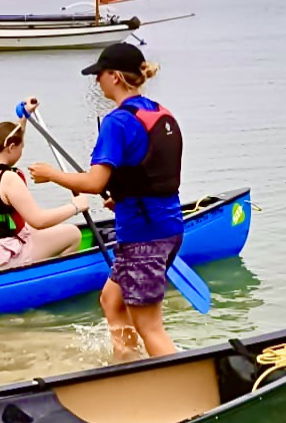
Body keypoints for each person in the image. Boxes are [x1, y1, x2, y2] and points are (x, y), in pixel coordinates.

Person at [28, 43, 184, 359]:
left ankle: (177, 382)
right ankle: (128, 363)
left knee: (149, 325)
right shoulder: (159, 112)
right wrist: (123, 196)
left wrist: (51, 174)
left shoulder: (118, 122)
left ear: (114, 76)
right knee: (111, 301)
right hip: (168, 225)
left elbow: (93, 182)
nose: (96, 81)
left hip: (143, 235)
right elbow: (151, 171)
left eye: (98, 75)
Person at [0, 98, 88, 272]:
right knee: (72, 234)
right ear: (11, 147)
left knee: (27, 228)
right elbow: (39, 220)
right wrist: (75, 207)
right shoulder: (8, 179)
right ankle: (48, 281)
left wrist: (24, 119)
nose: (22, 151)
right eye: (21, 147)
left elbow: (11, 142)